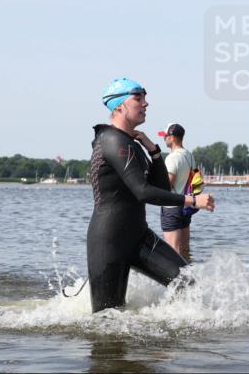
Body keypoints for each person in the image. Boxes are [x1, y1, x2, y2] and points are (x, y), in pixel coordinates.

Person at [87, 78, 215, 313]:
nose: (145, 104)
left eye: (145, 98)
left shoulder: (132, 143)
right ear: (118, 106)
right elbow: (142, 192)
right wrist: (192, 200)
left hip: (139, 237)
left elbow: (162, 187)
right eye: (138, 98)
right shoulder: (112, 141)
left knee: (187, 282)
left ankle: (168, 333)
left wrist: (154, 152)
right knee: (107, 319)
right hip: (109, 241)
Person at [157, 122, 196, 260]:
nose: (164, 139)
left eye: (165, 136)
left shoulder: (172, 157)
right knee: (184, 250)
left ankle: (176, 274)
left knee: (173, 251)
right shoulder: (189, 155)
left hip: (171, 208)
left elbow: (167, 185)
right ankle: (190, 273)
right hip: (186, 206)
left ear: (172, 137)